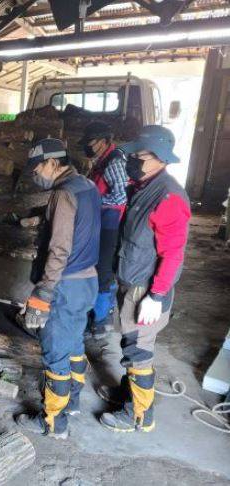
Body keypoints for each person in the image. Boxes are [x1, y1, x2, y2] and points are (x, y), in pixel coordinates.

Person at [99, 125, 190, 433]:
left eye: (140, 155)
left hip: (145, 290)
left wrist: (157, 295)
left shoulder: (169, 197)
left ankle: (138, 415)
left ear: (160, 158)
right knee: (130, 342)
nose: (133, 160)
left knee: (138, 349)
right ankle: (128, 393)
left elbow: (173, 254)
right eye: (133, 155)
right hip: (131, 281)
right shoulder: (143, 187)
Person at [16, 138, 101, 439]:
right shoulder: (87, 186)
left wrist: (44, 291)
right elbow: (82, 227)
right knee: (74, 343)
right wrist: (43, 220)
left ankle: (54, 422)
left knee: (55, 354)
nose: (35, 174)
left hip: (65, 284)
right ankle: (72, 402)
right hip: (88, 280)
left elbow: (60, 249)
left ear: (52, 163)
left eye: (37, 168)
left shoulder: (63, 194)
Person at [79, 121, 129, 338]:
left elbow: (121, 196)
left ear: (104, 141)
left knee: (103, 270)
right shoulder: (102, 161)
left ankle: (102, 320)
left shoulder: (115, 162)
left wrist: (93, 201)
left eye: (91, 142)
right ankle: (93, 314)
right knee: (93, 267)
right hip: (99, 222)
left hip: (110, 224)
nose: (88, 147)